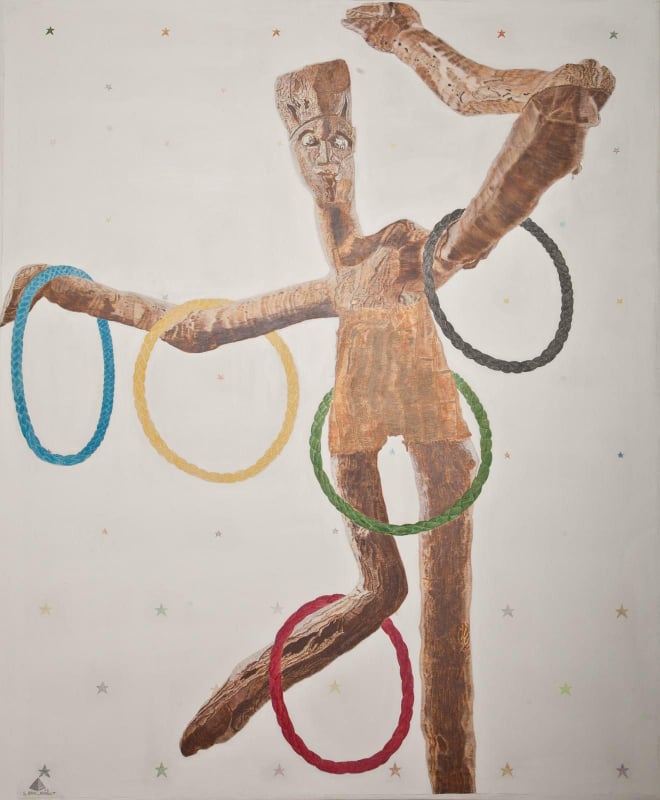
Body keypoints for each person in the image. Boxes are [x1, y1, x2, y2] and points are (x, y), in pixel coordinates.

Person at [0, 4, 613, 793]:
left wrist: (432, 55)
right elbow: (201, 330)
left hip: (438, 433)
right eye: (310, 143)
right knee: (382, 590)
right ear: (294, 156)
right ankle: (251, 687)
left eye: (340, 141)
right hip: (352, 438)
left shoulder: (409, 253)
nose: (327, 160)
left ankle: (444, 773)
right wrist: (65, 289)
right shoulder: (336, 284)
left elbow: (481, 224)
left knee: (444, 630)